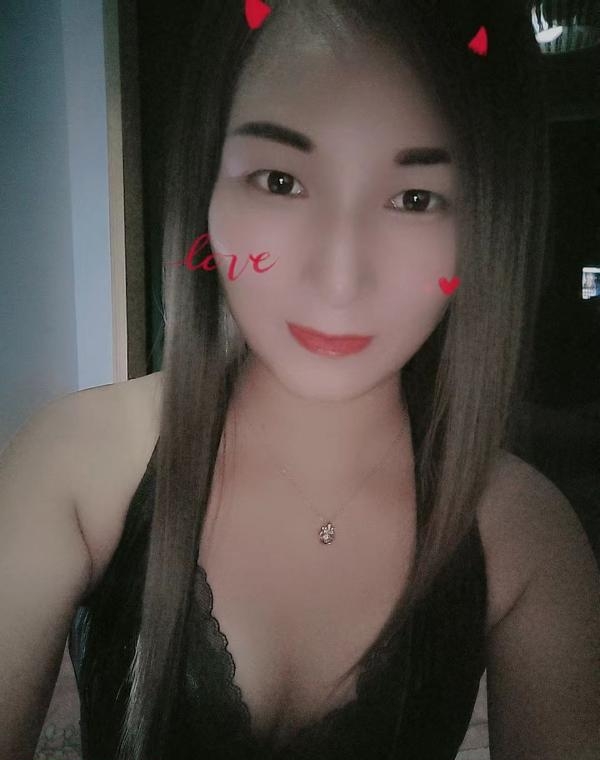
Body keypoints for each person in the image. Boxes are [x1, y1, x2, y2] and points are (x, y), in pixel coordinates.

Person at [1, 1, 599, 759]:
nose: (338, 279)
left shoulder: (525, 537)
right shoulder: (75, 465)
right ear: (208, 189)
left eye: (414, 199)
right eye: (280, 180)